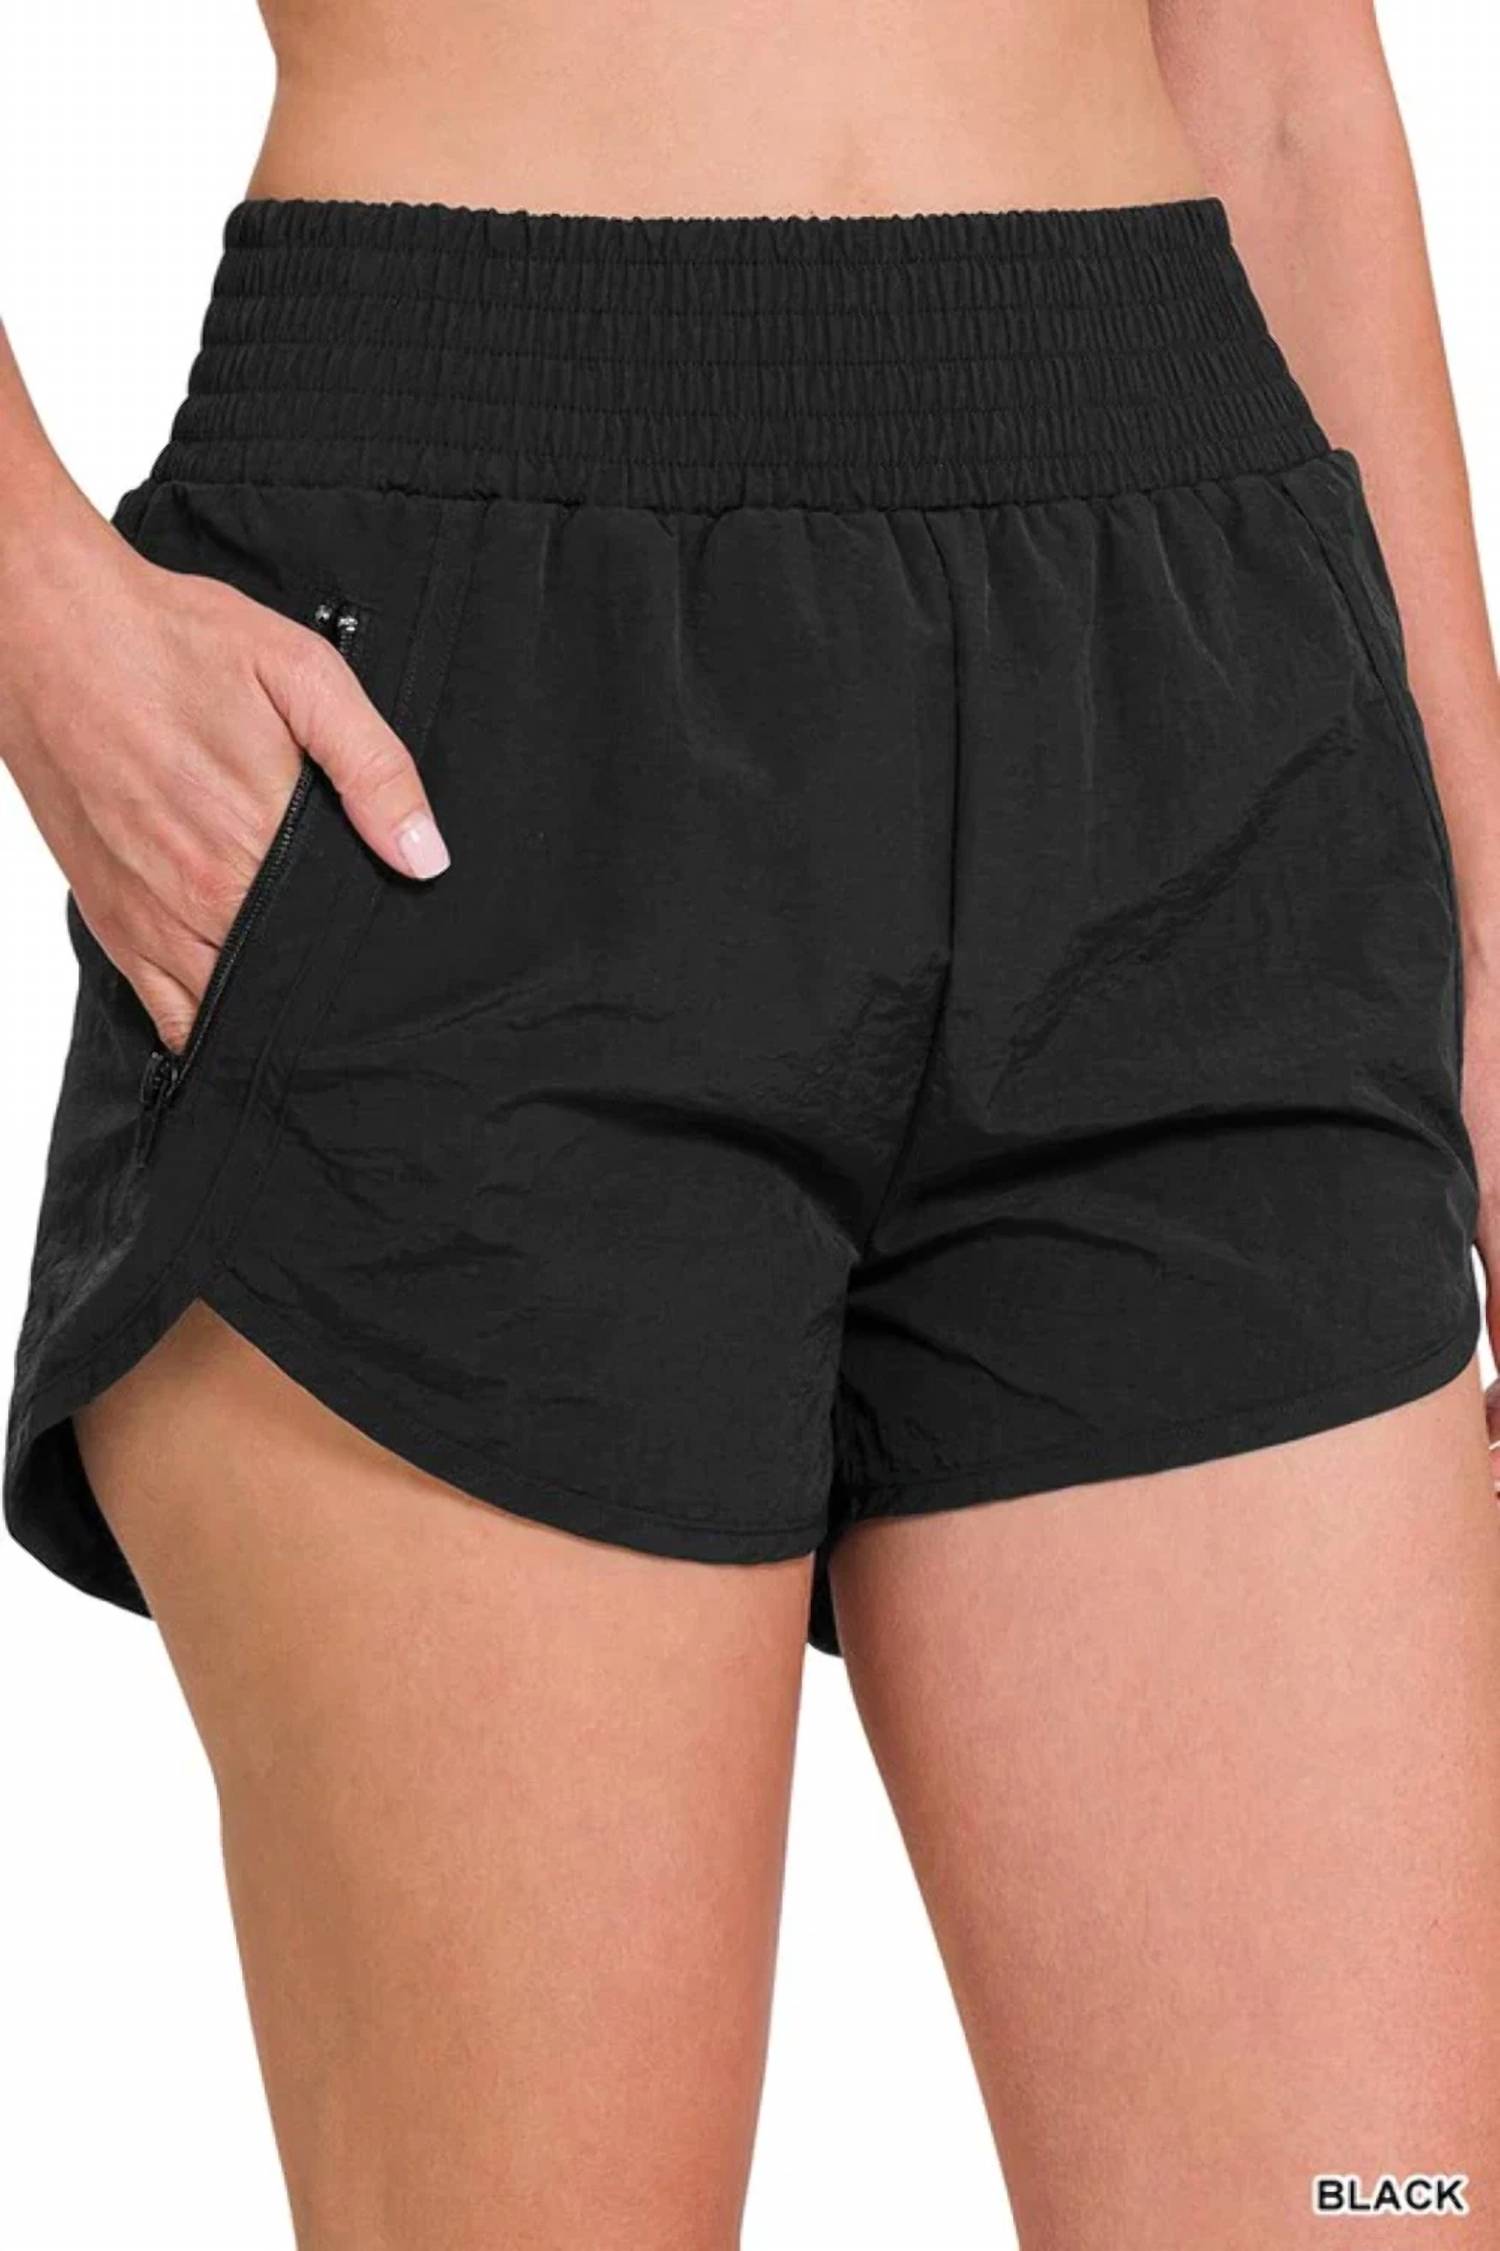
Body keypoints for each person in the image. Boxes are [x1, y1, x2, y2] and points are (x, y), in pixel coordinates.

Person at [2, 2, 1497, 2244]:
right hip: (472, 701)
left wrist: (1482, 939)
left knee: (1375, 2205)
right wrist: (38, 620)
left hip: (1203, 700)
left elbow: (1279, 76)